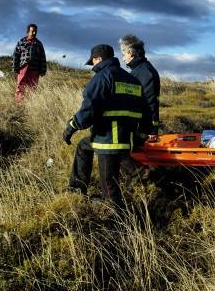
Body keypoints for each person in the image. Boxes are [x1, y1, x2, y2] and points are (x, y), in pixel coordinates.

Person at [63, 44, 152, 208]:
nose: (93, 66)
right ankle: (77, 188)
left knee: (109, 187)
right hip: (127, 138)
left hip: (108, 140)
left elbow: (88, 111)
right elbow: (146, 111)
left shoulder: (102, 78)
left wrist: (71, 126)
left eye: (93, 62)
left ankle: (116, 220)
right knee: (84, 146)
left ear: (98, 59)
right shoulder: (133, 80)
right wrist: (143, 134)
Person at [119, 34, 160, 138]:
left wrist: (149, 130)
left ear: (130, 53)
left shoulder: (144, 72)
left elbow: (149, 101)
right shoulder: (141, 70)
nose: (123, 58)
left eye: (123, 54)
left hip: (143, 128)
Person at [12, 23, 46, 102]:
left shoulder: (39, 44)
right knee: (20, 86)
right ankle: (19, 102)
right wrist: (15, 67)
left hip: (35, 69)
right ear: (28, 31)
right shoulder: (21, 42)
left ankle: (31, 104)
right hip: (23, 68)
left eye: (35, 32)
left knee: (33, 87)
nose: (34, 33)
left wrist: (43, 70)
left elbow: (43, 58)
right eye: (32, 31)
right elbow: (15, 55)